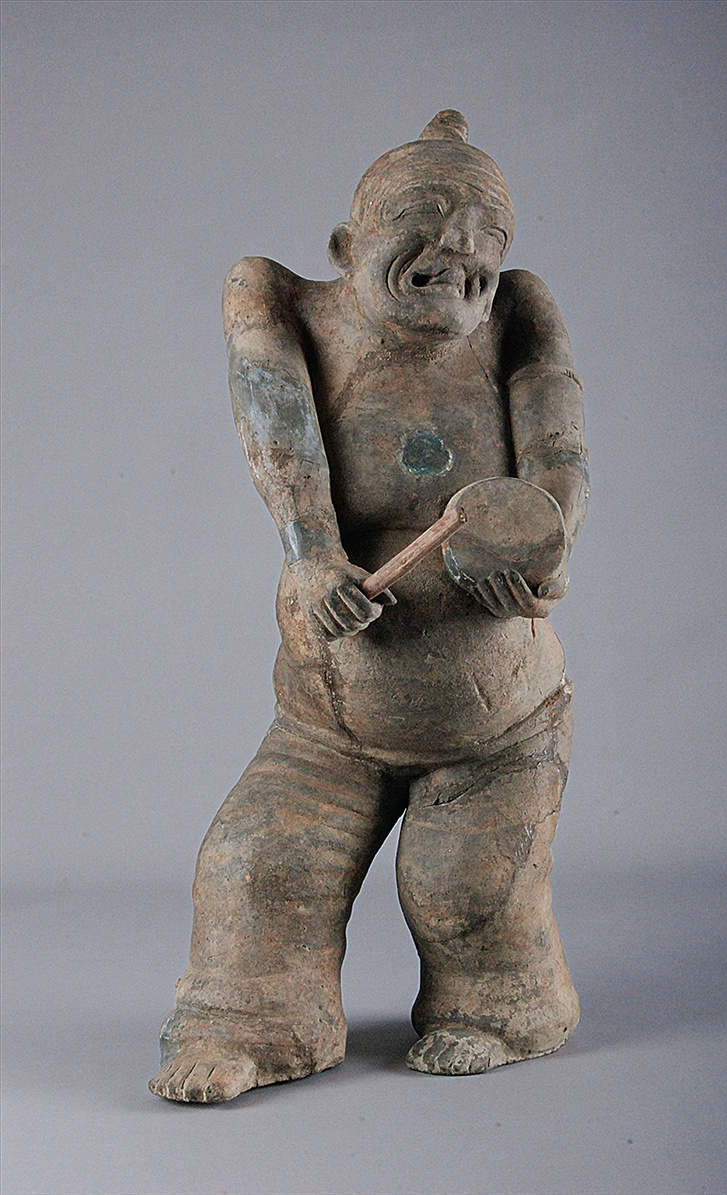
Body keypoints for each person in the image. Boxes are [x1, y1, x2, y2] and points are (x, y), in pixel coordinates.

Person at [150, 111, 589, 1103]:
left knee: (465, 888)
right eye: (424, 215)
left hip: (497, 725)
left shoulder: (518, 316)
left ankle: (502, 1010)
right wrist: (311, 561)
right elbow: (279, 436)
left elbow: (559, 466)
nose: (460, 245)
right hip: (329, 720)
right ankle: (258, 1027)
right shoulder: (281, 304)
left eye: (486, 231)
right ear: (348, 245)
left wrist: (541, 542)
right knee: (254, 866)